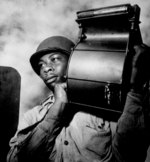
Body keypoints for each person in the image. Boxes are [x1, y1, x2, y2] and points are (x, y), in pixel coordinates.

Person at [6, 35, 150, 162]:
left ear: (73, 62)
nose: (46, 68)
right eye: (41, 65)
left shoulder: (103, 104)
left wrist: (135, 92)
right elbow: (15, 159)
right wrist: (55, 112)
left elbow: (130, 156)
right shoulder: (32, 116)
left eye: (54, 59)